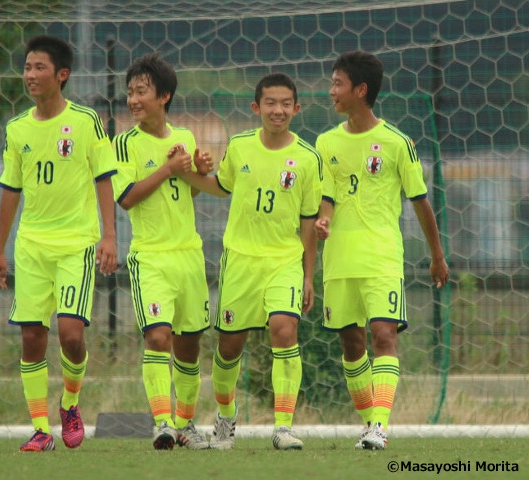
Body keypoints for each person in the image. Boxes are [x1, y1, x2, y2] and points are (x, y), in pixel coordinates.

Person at [314, 50, 450, 450]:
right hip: (339, 259)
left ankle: (379, 427)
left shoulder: (396, 143)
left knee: (383, 334)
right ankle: (369, 422)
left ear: (361, 90)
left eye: (337, 83)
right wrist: (323, 219)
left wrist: (437, 255)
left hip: (381, 256)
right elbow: (326, 197)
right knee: (352, 344)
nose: (331, 90)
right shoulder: (325, 142)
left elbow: (420, 200)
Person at [180, 72, 323, 450]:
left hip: (284, 261)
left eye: (286, 104)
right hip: (240, 261)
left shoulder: (307, 158)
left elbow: (309, 222)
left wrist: (309, 277)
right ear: (256, 108)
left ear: (297, 107)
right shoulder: (240, 146)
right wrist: (190, 174)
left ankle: (283, 427)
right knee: (229, 346)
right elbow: (221, 187)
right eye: (271, 103)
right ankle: (226, 417)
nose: (278, 110)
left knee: (284, 330)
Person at [0, 35, 118, 452]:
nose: (30, 74)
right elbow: (11, 189)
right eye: (27, 67)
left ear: (61, 75)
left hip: (76, 245)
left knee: (70, 334)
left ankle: (70, 403)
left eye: (39, 67)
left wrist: (109, 236)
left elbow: (104, 179)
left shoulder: (85, 122)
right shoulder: (17, 129)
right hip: (31, 246)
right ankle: (40, 429)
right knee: (31, 337)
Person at [110, 53, 213, 450]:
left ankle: (185, 424)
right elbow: (127, 197)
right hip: (150, 257)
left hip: (188, 255)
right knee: (158, 337)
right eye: (130, 92)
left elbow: (190, 185)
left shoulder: (184, 138)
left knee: (189, 344)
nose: (133, 100)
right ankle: (163, 423)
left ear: (164, 96)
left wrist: (200, 168)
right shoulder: (123, 144)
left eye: (142, 92)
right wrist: (168, 170)